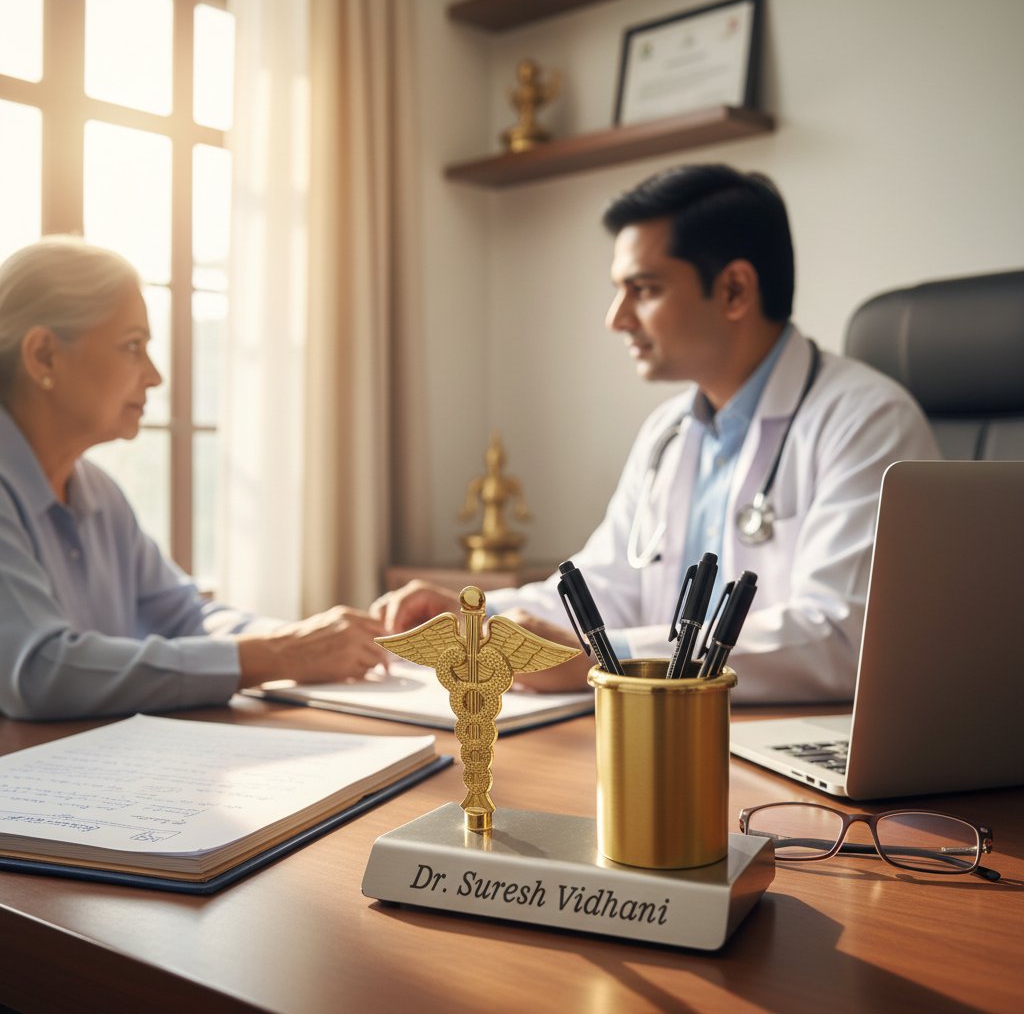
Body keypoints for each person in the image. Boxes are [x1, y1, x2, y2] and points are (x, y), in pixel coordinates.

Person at [373, 164, 941, 703]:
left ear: (735, 291)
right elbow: (608, 584)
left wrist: (605, 657)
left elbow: (839, 636)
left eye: (643, 289)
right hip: (665, 727)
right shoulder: (669, 431)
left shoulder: (866, 421)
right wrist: (477, 615)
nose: (616, 318)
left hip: (787, 755)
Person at [0, 236, 385, 720]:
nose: (155, 375)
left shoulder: (97, 491)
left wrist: (323, 642)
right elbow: (39, 671)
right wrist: (281, 654)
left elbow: (187, 617)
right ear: (43, 356)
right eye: (133, 346)